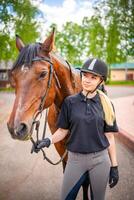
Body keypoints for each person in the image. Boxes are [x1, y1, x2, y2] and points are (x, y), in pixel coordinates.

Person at [32, 58, 119, 200]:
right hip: (75, 161)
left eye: (93, 77)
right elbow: (62, 131)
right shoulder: (69, 102)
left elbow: (110, 137)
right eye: (85, 75)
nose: (87, 80)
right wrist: (46, 141)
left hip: (100, 161)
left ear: (101, 81)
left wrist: (114, 166)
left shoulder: (107, 104)